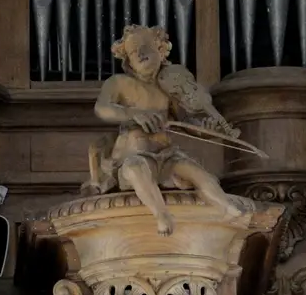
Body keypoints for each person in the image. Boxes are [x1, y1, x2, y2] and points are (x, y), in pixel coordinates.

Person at [87, 24, 247, 235]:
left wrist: (204, 128)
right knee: (135, 170)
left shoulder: (169, 88)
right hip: (135, 154)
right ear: (128, 61)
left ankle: (227, 209)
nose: (141, 54)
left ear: (160, 50)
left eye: (145, 47)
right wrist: (132, 113)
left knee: (200, 175)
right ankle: (161, 214)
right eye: (134, 52)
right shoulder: (118, 83)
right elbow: (102, 108)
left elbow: (185, 123)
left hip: (167, 155)